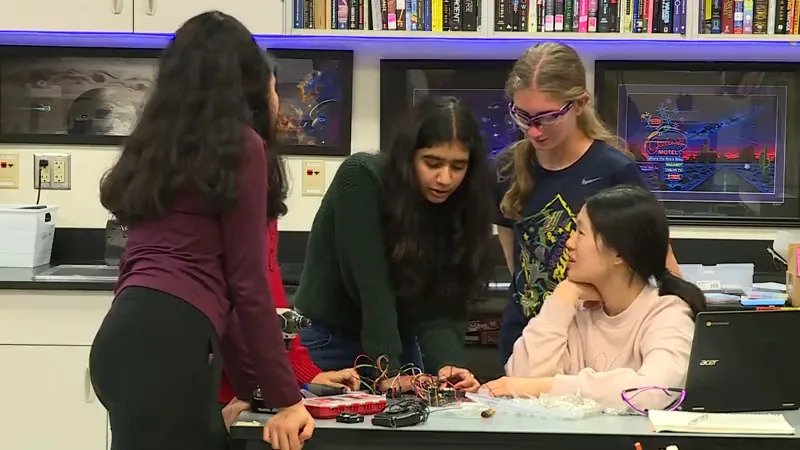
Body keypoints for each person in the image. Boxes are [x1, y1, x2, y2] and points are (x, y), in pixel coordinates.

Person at [89, 12, 313, 450]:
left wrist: (252, 390)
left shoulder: (153, 148)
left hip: (118, 341)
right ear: (249, 81)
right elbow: (246, 285)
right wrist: (287, 400)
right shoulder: (242, 147)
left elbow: (211, 293)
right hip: (171, 349)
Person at [494, 42, 682, 363]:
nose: (534, 131)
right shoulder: (506, 170)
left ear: (580, 104)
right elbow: (518, 264)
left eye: (548, 117)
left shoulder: (614, 170)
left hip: (593, 348)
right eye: (523, 116)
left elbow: (661, 263)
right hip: (526, 343)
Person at [292, 96, 494, 392]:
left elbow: (443, 302)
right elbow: (372, 288)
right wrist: (389, 370)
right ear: (408, 156)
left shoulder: (460, 206)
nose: (445, 178)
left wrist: (447, 366)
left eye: (458, 166)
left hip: (399, 347)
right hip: (331, 344)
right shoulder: (362, 177)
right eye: (432, 162)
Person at [219, 52, 358, 427]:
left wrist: (301, 373)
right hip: (212, 370)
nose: (279, 102)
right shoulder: (246, 158)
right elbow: (247, 292)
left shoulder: (188, 158)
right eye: (272, 90)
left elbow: (267, 290)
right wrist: (275, 391)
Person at [482, 185, 705, 411]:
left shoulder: (667, 312)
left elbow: (654, 392)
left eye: (580, 232)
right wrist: (563, 297)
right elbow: (521, 378)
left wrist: (545, 388)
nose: (568, 243)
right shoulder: (575, 308)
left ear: (618, 251)